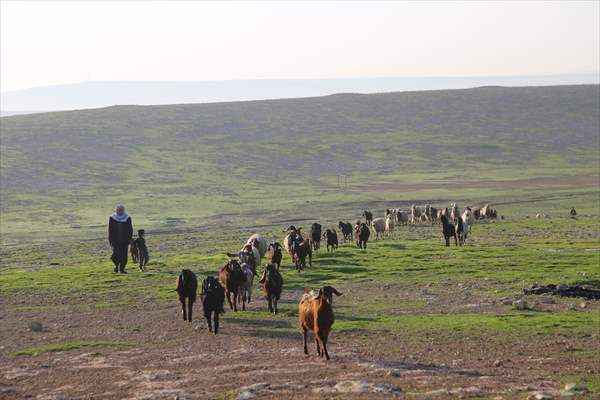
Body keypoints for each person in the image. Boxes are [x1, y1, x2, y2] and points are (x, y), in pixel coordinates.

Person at [108, 204, 133, 274]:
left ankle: (122, 269)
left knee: (124, 256)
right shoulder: (112, 218)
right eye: (118, 210)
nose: (120, 211)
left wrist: (129, 239)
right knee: (115, 255)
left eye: (121, 210)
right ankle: (117, 266)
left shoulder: (127, 218)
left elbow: (130, 229)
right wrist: (110, 240)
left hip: (124, 241)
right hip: (115, 241)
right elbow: (110, 230)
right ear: (116, 210)